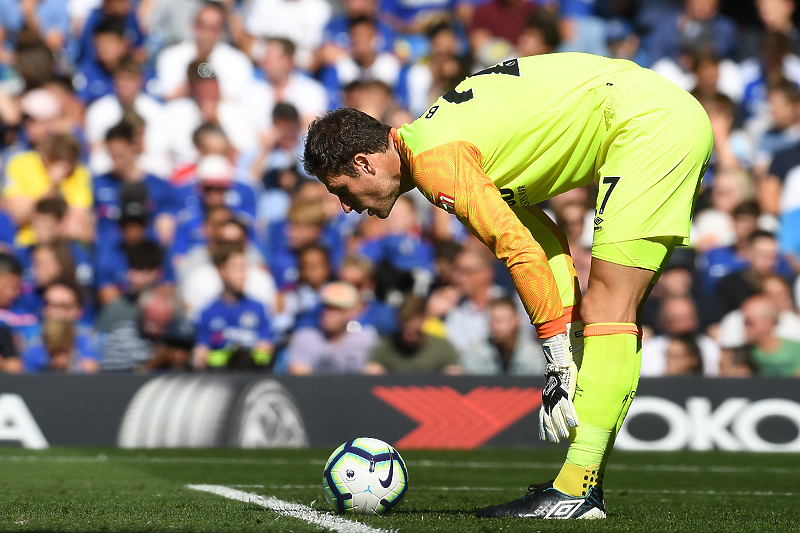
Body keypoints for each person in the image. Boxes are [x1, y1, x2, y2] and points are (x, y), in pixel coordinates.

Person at [303, 53, 713, 519]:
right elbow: (544, 243)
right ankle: (578, 486)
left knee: (609, 309)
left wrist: (558, 360)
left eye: (340, 190)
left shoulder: (440, 164)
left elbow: (517, 249)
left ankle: (578, 490)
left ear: (364, 163)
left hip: (648, 124)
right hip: (655, 115)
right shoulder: (438, 146)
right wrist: (567, 335)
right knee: (600, 315)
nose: (345, 207)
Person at [192, 246, 274, 370]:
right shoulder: (208, 312)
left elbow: (266, 353)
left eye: (244, 269)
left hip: (251, 376)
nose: (243, 275)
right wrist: (230, 355)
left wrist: (245, 355)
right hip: (220, 378)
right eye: (236, 268)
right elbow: (201, 356)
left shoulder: (259, 308)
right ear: (221, 272)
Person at [364, 294, 460, 374]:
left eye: (414, 331)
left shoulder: (442, 347)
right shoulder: (386, 346)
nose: (409, 336)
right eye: (405, 330)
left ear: (424, 319)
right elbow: (372, 375)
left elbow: (454, 378)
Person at [461, 295, 545, 375]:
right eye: (495, 320)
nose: (499, 327)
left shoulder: (533, 354)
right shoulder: (476, 352)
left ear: (517, 321)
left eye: (504, 320)